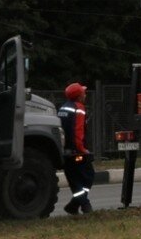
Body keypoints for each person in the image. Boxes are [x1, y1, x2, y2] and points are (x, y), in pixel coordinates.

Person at [58, 82, 94, 214]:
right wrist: (82, 149)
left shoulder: (63, 108)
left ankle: (75, 206)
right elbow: (78, 132)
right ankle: (84, 204)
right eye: (83, 93)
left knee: (74, 179)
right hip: (76, 151)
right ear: (79, 96)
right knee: (88, 176)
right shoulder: (79, 108)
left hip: (64, 150)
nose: (85, 94)